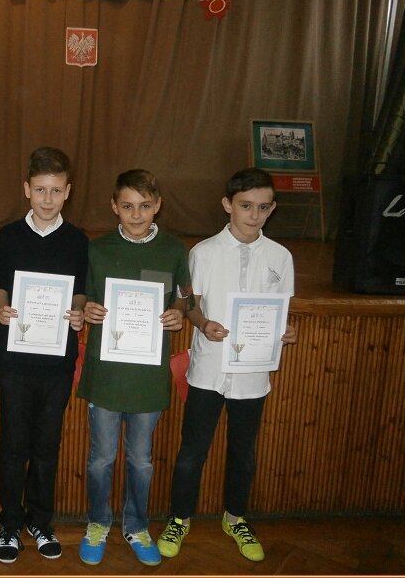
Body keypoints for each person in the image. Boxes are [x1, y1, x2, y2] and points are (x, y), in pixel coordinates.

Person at [156, 167, 297, 562]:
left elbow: (281, 311)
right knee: (192, 451)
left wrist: (285, 331)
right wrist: (203, 324)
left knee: (243, 452)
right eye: (246, 206)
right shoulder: (202, 252)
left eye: (263, 207)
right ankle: (179, 518)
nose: (254, 215)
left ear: (272, 209)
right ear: (227, 205)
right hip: (209, 371)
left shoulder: (281, 257)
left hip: (253, 374)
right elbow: (190, 304)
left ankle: (235, 518)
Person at [76, 169, 191, 566]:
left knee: (141, 460)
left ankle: (137, 526)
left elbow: (184, 296)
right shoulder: (98, 250)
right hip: (107, 374)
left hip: (147, 376)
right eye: (127, 206)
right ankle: (97, 523)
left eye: (144, 206)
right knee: (101, 459)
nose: (136, 214)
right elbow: (85, 297)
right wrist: (88, 310)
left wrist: (178, 312)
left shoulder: (174, 250)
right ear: (114, 207)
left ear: (157, 205)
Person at [0, 146, 88, 563]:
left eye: (56, 190)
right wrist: (0, 307)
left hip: (57, 360)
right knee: (13, 444)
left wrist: (78, 311)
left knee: (47, 445)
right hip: (15, 359)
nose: (48, 199)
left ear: (68, 192)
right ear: (27, 189)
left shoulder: (77, 240)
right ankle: (10, 524)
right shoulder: (8, 236)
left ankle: (40, 521)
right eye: (41, 189)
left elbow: (79, 289)